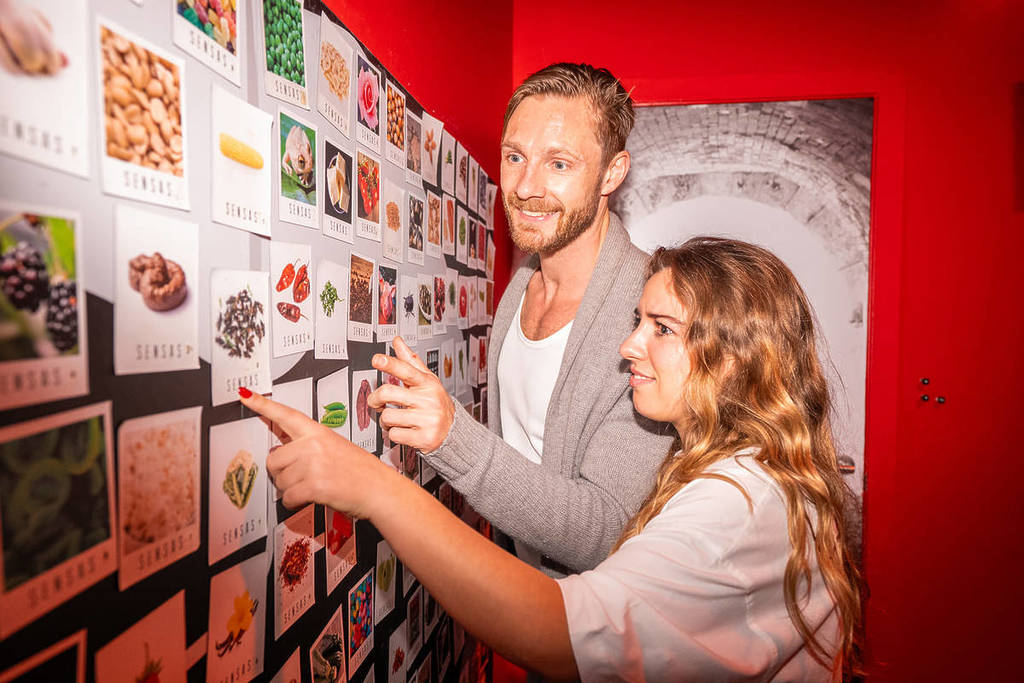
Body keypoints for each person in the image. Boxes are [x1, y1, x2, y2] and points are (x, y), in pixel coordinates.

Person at [240, 237, 863, 680]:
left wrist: (376, 487)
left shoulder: (739, 501)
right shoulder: (749, 470)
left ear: (735, 358)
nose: (629, 345)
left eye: (661, 328)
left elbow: (562, 633)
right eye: (636, 321)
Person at [369, 63, 676, 575]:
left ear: (612, 173)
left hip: (610, 633)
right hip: (532, 599)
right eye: (515, 157)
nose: (526, 187)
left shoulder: (653, 317)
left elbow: (608, 532)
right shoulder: (522, 283)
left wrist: (453, 438)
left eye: (559, 164)